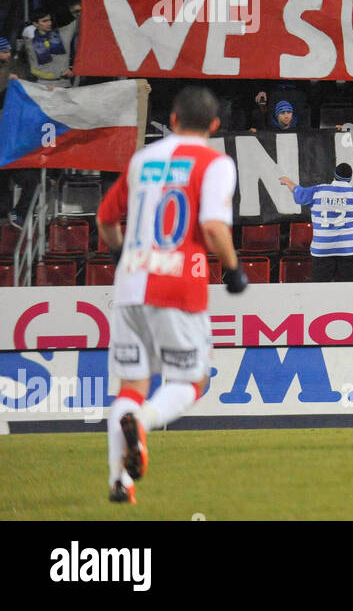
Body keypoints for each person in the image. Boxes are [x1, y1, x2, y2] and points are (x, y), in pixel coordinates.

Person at [96, 86, 248, 505]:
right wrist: (234, 270)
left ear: (173, 120)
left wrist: (120, 255)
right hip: (179, 284)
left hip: (130, 284)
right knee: (191, 380)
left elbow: (105, 219)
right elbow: (214, 227)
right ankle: (142, 424)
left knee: (130, 386)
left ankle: (119, 484)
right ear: (214, 126)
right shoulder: (215, 162)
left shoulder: (143, 159)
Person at [278, 163, 353, 281]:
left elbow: (298, 191)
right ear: (350, 179)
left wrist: (288, 181)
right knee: (350, 293)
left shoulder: (318, 191)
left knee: (321, 292)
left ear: (334, 176)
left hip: (323, 251)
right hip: (351, 251)